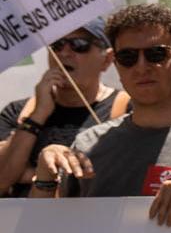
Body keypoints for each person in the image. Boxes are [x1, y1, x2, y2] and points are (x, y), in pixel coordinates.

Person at [31, 3, 171, 225]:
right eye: (128, 57)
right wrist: (45, 178)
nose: (141, 67)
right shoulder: (87, 146)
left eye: (156, 54)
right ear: (117, 65)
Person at [0, 18, 122, 195]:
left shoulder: (125, 108)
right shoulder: (19, 111)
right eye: (57, 44)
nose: (64, 53)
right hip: (25, 221)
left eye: (79, 45)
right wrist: (37, 115)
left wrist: (30, 174)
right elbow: (2, 178)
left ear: (107, 59)